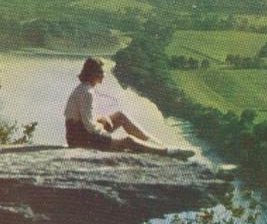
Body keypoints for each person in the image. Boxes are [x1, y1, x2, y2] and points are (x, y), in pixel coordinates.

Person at [63, 57, 195, 160]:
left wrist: (101, 119)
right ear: (92, 74)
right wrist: (107, 134)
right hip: (82, 140)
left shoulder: (84, 89)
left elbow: (79, 117)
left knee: (120, 116)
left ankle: (156, 143)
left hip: (78, 135)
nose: (104, 75)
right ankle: (167, 152)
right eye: (101, 72)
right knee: (128, 141)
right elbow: (90, 127)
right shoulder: (87, 93)